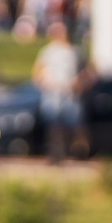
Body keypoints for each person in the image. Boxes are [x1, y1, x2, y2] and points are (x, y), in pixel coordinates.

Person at [32, 19, 86, 163]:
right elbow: (37, 71)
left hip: (70, 92)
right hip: (54, 92)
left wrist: (80, 83)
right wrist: (45, 81)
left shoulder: (75, 51)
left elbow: (87, 71)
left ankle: (77, 153)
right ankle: (56, 154)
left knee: (74, 124)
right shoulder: (49, 51)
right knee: (54, 125)